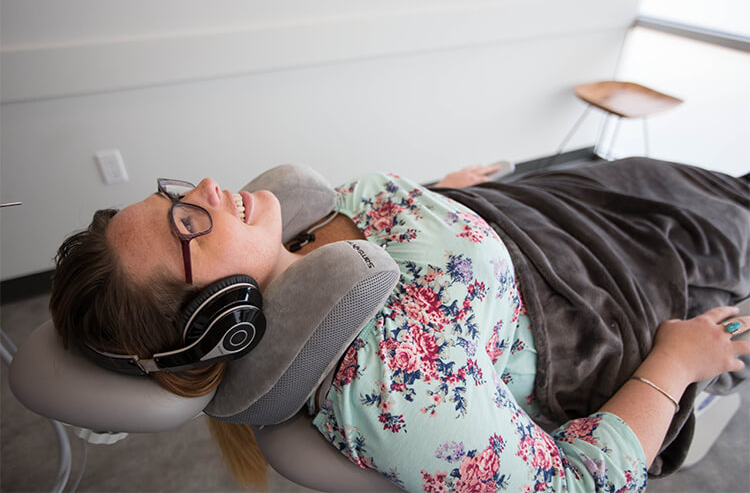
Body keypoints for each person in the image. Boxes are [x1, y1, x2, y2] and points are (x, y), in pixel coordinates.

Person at [49, 158, 749, 492]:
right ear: (220, 318)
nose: (201, 189)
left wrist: (448, 197)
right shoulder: (393, 389)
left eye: (170, 196)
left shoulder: (292, 232)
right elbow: (569, 488)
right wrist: (677, 365)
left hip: (559, 207)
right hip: (617, 286)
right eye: (186, 226)